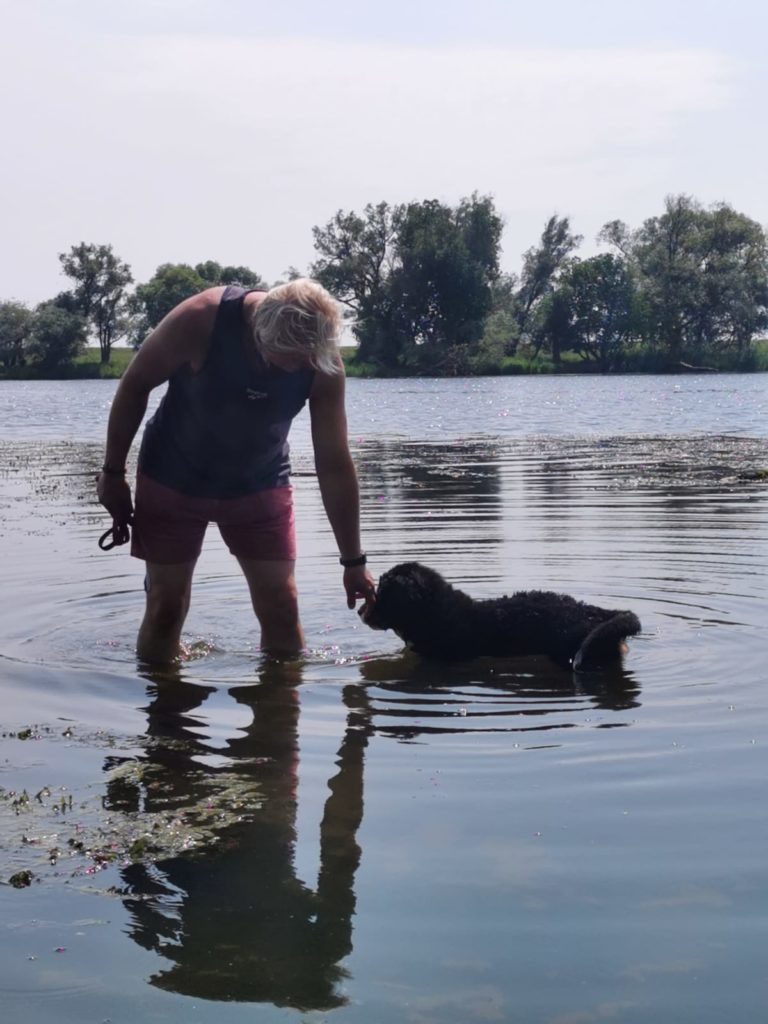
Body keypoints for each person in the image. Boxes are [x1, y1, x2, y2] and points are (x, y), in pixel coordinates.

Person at [96, 279, 375, 663]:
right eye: (294, 360)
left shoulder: (320, 362)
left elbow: (334, 463)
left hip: (259, 482)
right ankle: (163, 698)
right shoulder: (199, 320)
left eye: (312, 356)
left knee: (282, 604)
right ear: (260, 336)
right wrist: (113, 474)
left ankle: (279, 700)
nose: (306, 367)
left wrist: (353, 561)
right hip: (173, 475)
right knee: (166, 608)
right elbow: (134, 385)